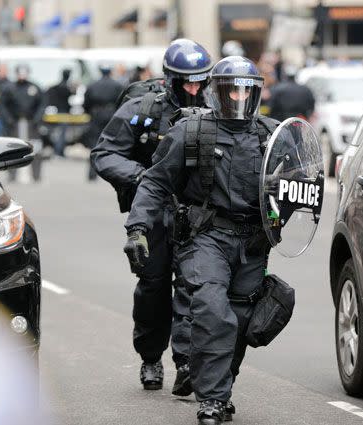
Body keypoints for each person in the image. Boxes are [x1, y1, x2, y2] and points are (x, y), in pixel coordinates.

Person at [124, 56, 282, 425]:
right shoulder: (191, 131)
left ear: (256, 92)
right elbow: (155, 182)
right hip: (205, 237)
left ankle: (219, 390)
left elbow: (295, 187)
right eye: (231, 90)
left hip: (254, 242)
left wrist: (285, 213)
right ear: (217, 92)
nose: (239, 97)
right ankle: (210, 400)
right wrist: (137, 229)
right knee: (212, 311)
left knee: (242, 322)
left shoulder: (271, 136)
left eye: (246, 89)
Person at [90, 39, 213, 395]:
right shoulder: (142, 107)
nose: (194, 88)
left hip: (198, 212)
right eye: (186, 82)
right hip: (154, 209)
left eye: (200, 81)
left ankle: (187, 363)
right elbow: (105, 153)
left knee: (195, 287)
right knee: (153, 287)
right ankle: (150, 358)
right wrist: (142, 177)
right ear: (171, 79)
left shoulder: (216, 105)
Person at [0, 64, 44, 182]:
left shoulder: (34, 88)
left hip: (31, 123)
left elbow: (42, 104)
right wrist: (8, 119)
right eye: (20, 73)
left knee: (36, 148)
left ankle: (36, 175)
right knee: (12, 149)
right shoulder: (9, 88)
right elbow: (3, 105)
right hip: (14, 123)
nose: (22, 76)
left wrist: (37, 118)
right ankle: (12, 175)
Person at [83, 63, 124, 180]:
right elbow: (122, 101)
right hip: (111, 115)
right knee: (111, 144)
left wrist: (89, 113)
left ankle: (92, 173)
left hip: (96, 115)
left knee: (94, 144)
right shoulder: (117, 85)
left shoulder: (92, 85)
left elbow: (86, 103)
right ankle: (111, 174)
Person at [43, 68, 74, 157]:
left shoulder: (56, 87)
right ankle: (58, 151)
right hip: (62, 112)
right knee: (61, 134)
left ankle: (59, 151)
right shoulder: (65, 88)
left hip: (56, 112)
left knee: (60, 134)